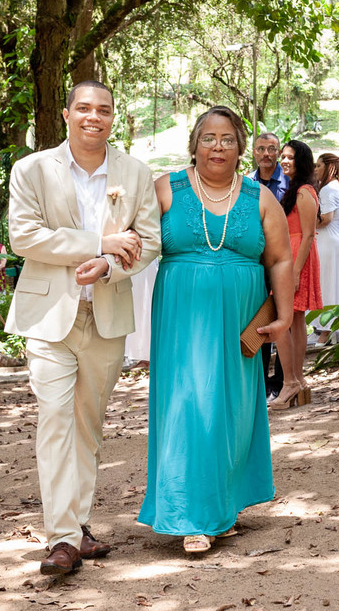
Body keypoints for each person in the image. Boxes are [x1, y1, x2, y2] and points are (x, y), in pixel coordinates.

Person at [6, 80, 161, 576]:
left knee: (88, 427)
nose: (95, 117)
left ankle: (77, 525)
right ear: (67, 113)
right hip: (49, 318)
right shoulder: (31, 169)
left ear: (114, 117)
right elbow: (24, 237)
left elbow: (150, 242)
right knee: (55, 420)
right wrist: (101, 242)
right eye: (85, 108)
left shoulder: (135, 173)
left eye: (105, 110)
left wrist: (111, 265)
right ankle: (63, 541)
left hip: (107, 314)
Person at [138, 106, 291, 554]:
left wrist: (281, 317)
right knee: (189, 404)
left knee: (233, 410)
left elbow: (280, 258)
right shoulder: (166, 188)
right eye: (209, 137)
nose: (218, 146)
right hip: (184, 320)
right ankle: (194, 515)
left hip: (242, 322)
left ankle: (222, 507)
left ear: (241, 147)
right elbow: (136, 241)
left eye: (227, 138)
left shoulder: (259, 197)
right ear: (194, 144)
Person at [275, 139, 320, 408]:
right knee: (294, 320)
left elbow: (308, 235)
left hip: (296, 258)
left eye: (290, 157)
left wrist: (293, 272)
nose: (284, 160)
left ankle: (291, 382)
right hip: (289, 256)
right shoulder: (294, 188)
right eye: (283, 156)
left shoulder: (304, 191)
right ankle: (297, 381)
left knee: (284, 320)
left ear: (301, 160)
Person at [252, 131, 287, 397]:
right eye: (261, 148)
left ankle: (284, 381)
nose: (266, 153)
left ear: (278, 152)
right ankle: (261, 384)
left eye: (271, 149)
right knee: (260, 320)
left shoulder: (290, 183)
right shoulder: (245, 185)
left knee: (287, 319)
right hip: (256, 262)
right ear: (253, 152)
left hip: (283, 259)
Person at [313, 153, 339, 345]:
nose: (315, 169)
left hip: (328, 242)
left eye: (318, 165)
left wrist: (304, 222)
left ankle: (325, 332)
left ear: (328, 167)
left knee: (327, 287)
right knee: (334, 285)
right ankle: (330, 330)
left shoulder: (328, 189)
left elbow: (326, 218)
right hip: (337, 242)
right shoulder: (338, 186)